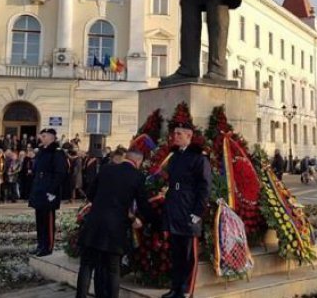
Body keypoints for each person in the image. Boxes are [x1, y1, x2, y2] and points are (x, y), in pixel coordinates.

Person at [76, 147, 157, 298]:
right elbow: (143, 205)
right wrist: (150, 221)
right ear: (138, 161)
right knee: (113, 269)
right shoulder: (137, 176)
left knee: (86, 265)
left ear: (126, 157)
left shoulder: (106, 169)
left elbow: (91, 194)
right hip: (116, 227)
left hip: (94, 223)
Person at [160, 119, 212, 298]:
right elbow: (172, 185)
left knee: (189, 256)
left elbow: (204, 187)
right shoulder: (174, 157)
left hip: (189, 211)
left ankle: (185, 290)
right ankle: (175, 288)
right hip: (175, 210)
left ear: (189, 136)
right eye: (174, 133)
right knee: (176, 255)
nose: (175, 136)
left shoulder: (199, 158)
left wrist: (198, 213)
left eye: (179, 134)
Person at [29, 128, 68, 257]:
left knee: (48, 221)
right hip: (39, 191)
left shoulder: (57, 153)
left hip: (49, 193)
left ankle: (48, 247)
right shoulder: (42, 152)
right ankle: (41, 245)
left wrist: (52, 191)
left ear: (51, 137)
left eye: (44, 136)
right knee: (40, 221)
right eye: (41, 136)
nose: (41, 138)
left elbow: (60, 174)